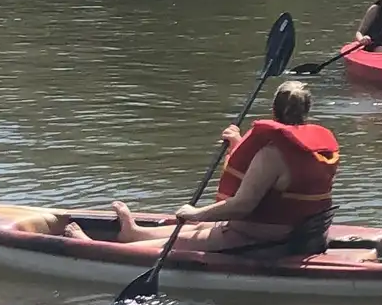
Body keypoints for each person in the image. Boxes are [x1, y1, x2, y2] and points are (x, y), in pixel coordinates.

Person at [112, 79, 338, 255]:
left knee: (173, 242)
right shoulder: (317, 150)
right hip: (301, 234)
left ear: (273, 109)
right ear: (307, 110)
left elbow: (242, 206)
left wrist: (196, 213)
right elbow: (275, 181)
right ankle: (135, 233)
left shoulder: (272, 155)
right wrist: (237, 146)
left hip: (261, 240)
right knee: (198, 229)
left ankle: (119, 247)